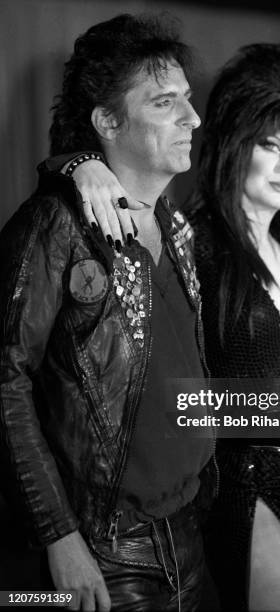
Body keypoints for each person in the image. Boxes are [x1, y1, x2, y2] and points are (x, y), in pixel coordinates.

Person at [38, 43, 280, 611]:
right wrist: (80, 162)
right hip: (244, 497)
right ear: (233, 144)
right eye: (270, 146)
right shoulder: (189, 238)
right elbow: (158, 399)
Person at [0, 13, 216, 612]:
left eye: (188, 101)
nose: (192, 119)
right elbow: (5, 380)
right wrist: (58, 535)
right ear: (107, 121)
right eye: (166, 102)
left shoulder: (178, 226)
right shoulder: (55, 225)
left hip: (190, 535)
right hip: (106, 555)